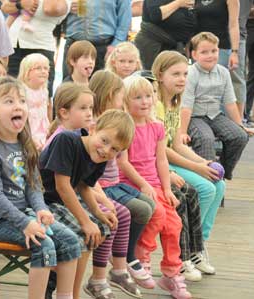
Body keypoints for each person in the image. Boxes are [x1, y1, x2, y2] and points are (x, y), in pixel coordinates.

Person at [0, 76, 81, 299]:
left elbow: (33, 186)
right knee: (44, 244)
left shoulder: (25, 144)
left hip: (24, 215)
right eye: (9, 101)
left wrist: (40, 209)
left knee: (71, 241)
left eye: (21, 100)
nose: (18, 105)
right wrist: (25, 223)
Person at [46, 82, 140, 298]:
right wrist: (86, 221)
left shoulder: (99, 157)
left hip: (61, 202)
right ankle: (59, 288)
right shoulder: (67, 140)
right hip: (44, 202)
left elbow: (84, 186)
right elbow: (62, 186)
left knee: (101, 228)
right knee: (82, 231)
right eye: (105, 141)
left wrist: (98, 214)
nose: (106, 150)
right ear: (94, 128)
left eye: (114, 149)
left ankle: (74, 291)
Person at [153, 51, 227, 276]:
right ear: (159, 74)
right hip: (158, 163)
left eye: (185, 73)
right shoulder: (155, 104)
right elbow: (161, 149)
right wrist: (196, 168)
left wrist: (203, 161)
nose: (182, 79)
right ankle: (186, 249)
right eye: (175, 74)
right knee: (204, 188)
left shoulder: (175, 103)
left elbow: (178, 145)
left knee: (219, 185)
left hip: (169, 158)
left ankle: (199, 245)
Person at [118, 76, 192, 299]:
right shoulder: (125, 126)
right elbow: (123, 162)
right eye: (138, 97)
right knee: (156, 214)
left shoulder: (157, 127)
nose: (145, 101)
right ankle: (142, 259)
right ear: (126, 101)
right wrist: (142, 185)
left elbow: (161, 160)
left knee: (174, 224)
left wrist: (167, 189)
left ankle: (171, 273)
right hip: (131, 184)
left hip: (156, 184)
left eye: (148, 96)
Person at [89, 71, 156, 291]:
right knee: (128, 211)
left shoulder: (118, 120)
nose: (123, 100)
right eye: (121, 96)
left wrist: (145, 184)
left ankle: (126, 256)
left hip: (115, 183)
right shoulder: (94, 125)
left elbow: (122, 160)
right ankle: (125, 258)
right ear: (110, 95)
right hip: (101, 186)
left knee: (148, 207)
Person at [179, 32, 254, 180]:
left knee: (240, 136)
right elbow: (186, 106)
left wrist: (240, 125)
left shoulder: (223, 73)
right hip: (195, 116)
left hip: (215, 115)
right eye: (204, 52)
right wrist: (182, 131)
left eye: (213, 51)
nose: (210, 55)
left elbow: (230, 102)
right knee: (205, 139)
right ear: (194, 55)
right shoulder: (190, 74)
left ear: (218, 51)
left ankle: (222, 172)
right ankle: (207, 179)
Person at [2, 0, 69, 97]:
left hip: (40, 49)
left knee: (41, 96)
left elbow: (50, 9)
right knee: (10, 93)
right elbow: (5, 7)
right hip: (14, 46)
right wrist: (20, 4)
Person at [63, 0, 132, 77]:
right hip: (74, 46)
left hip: (104, 48)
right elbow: (54, 9)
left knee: (102, 86)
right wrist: (66, 7)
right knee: (70, 86)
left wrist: (115, 44)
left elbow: (125, 19)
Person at [134, 0, 197, 70]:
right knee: (153, 77)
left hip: (178, 46)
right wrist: (178, 3)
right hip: (154, 45)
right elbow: (156, 15)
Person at [230, 0, 254, 120]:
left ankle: (242, 113)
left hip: (247, 25)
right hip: (246, 25)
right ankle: (242, 114)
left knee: (243, 73)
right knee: (245, 73)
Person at [18, 53, 51, 150]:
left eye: (46, 68)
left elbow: (45, 113)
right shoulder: (22, 91)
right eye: (38, 68)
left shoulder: (44, 91)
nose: (43, 71)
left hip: (43, 128)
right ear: (26, 72)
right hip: (28, 130)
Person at [194, 0, 240, 70]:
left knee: (218, 78)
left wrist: (234, 52)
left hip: (220, 48)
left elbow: (234, 25)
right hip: (199, 47)